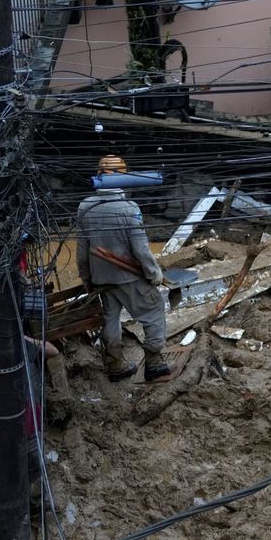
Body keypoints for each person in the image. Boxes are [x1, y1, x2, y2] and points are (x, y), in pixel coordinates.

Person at [76, 155, 170, 382]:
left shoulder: (85, 206)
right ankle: (154, 364)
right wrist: (154, 273)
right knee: (153, 311)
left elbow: (82, 250)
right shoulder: (129, 208)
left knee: (111, 318)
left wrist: (87, 278)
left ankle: (115, 365)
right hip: (128, 277)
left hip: (101, 279)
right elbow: (141, 249)